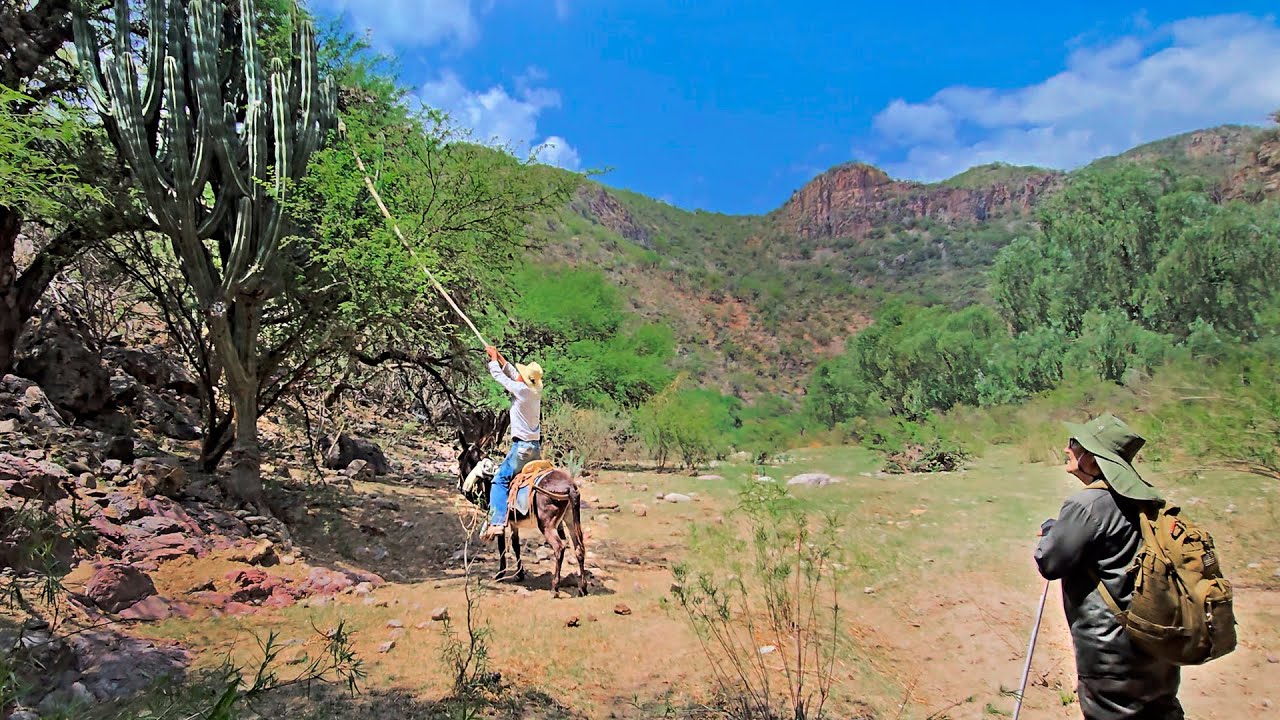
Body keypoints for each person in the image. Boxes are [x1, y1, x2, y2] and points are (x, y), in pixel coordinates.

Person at [1034, 413, 1183, 720]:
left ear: (1092, 458)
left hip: (1110, 656)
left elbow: (1050, 562)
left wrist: (1052, 532)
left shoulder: (1086, 506)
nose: (1067, 449)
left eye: (1075, 444)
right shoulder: (1146, 500)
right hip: (1157, 646)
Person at [479, 345, 544, 541]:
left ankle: (498, 522)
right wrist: (499, 357)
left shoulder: (521, 390)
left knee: (500, 479)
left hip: (521, 448)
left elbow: (501, 378)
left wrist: (492, 361)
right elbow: (514, 374)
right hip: (535, 448)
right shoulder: (534, 390)